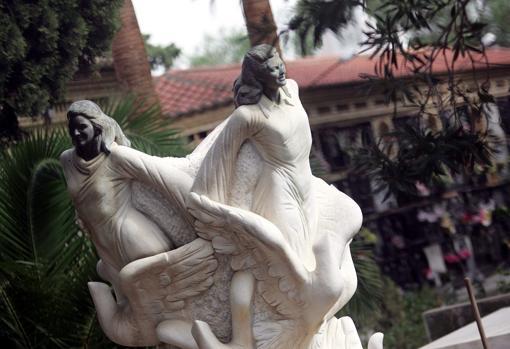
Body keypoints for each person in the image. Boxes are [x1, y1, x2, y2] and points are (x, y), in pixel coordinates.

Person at [190, 44, 318, 269]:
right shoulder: (247, 116)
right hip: (280, 192)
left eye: (280, 65)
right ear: (258, 75)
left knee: (314, 257)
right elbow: (221, 156)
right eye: (272, 69)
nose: (280, 71)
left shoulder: (293, 90)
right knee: (295, 263)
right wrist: (213, 205)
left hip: (308, 186)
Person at [60, 100, 195, 274]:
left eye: (82, 127)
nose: (76, 133)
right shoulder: (67, 160)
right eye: (72, 129)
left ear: (97, 126)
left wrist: (200, 213)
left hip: (134, 239)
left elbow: (168, 178)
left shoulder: (116, 156)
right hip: (104, 245)